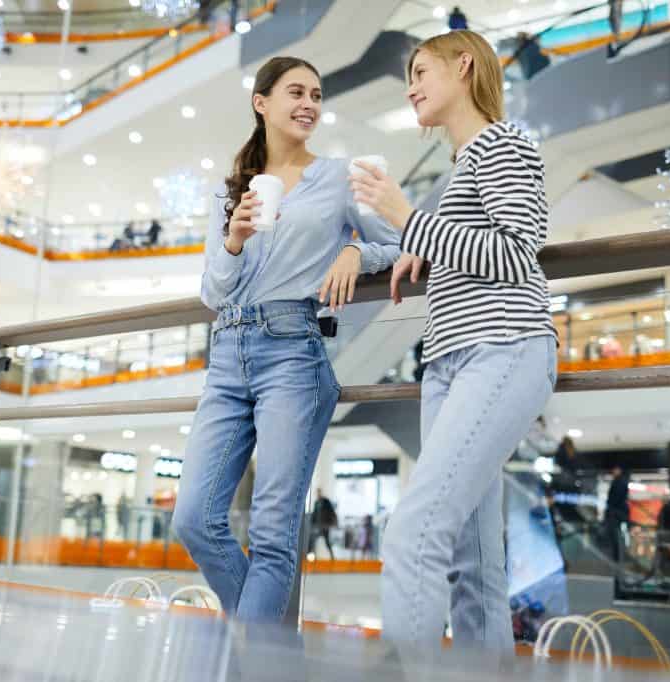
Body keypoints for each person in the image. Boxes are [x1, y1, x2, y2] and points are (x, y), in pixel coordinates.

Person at [171, 56, 401, 624]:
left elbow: (403, 242)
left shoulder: (339, 178)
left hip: (293, 353)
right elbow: (211, 293)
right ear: (262, 103)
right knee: (194, 520)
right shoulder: (232, 192)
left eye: (316, 95)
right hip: (227, 355)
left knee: (273, 530)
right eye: (296, 92)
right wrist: (232, 239)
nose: (309, 104)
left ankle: (253, 657)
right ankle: (270, 649)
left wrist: (355, 250)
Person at [348, 30, 558, 649]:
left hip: (503, 348)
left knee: (415, 531)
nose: (410, 85)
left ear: (463, 65)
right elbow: (467, 243)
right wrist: (412, 245)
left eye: (420, 70)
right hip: (449, 364)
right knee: (473, 558)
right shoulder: (464, 163)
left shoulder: (503, 142)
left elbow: (516, 254)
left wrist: (408, 217)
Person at [604, 465, 630, 562]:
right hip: (618, 514)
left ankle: (618, 557)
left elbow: (614, 499)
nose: (613, 471)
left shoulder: (620, 482)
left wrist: (611, 510)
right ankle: (619, 557)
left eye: (615, 469)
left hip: (616, 515)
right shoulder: (621, 481)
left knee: (616, 538)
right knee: (617, 537)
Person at [308, 488, 338, 561]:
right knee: (312, 540)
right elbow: (314, 514)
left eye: (319, 492)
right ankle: (312, 557)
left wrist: (333, 522)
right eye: (317, 493)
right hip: (317, 526)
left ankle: (332, 557)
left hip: (325, 525)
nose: (318, 494)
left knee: (327, 542)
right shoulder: (316, 503)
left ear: (321, 493)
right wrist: (312, 523)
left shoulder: (326, 501)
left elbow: (331, 511)